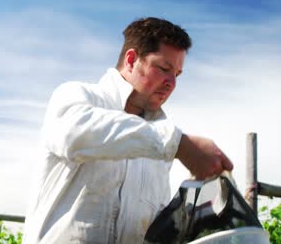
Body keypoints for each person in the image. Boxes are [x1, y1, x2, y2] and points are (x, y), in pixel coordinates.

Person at [23, 17, 233, 244]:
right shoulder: (77, 97)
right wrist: (179, 144)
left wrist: (192, 203)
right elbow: (75, 135)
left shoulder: (160, 146)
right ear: (131, 60)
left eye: (177, 75)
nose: (171, 83)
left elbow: (152, 230)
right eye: (164, 68)